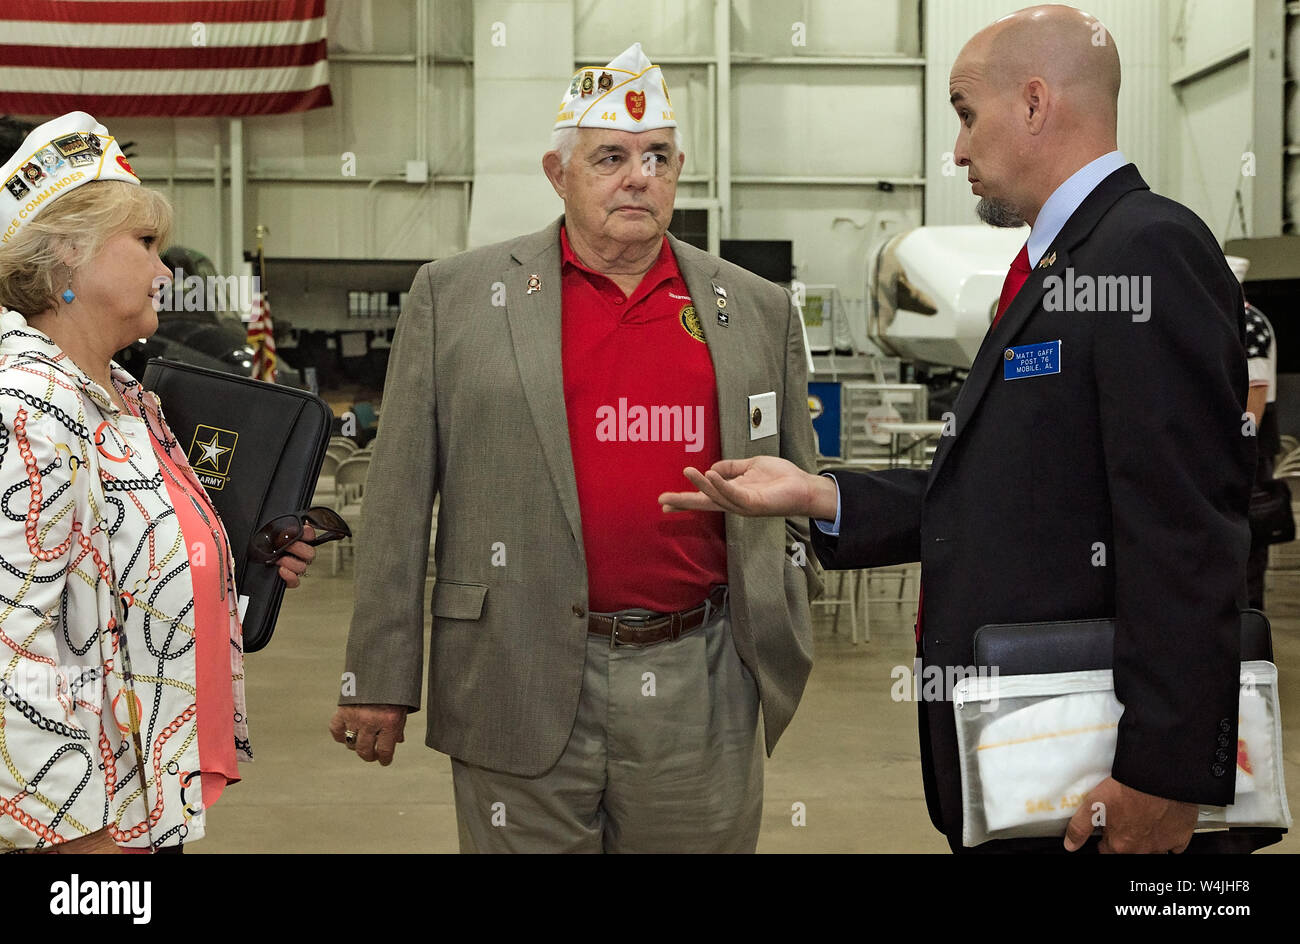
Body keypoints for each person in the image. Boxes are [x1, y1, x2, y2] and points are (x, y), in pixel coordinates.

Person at [661, 5, 1274, 854]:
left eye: (962, 111)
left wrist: (1165, 774)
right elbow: (1000, 489)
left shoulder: (1145, 251)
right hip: (1035, 759)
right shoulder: (1056, 268)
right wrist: (819, 493)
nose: (955, 150)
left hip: (1108, 774)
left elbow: (1186, 534)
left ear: (1033, 103)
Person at [331, 43, 822, 853]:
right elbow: (397, 497)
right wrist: (378, 674)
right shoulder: (456, 297)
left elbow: (800, 484)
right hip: (513, 671)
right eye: (612, 157)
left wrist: (778, 623)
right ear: (558, 174)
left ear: (680, 170)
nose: (638, 176)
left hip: (701, 678)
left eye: (657, 157)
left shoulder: (756, 309)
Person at [0, 112, 316, 852]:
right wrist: (75, 834)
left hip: (138, 786)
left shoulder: (125, 398)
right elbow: (11, 648)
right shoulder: (24, 406)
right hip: (75, 822)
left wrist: (237, 559)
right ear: (67, 254)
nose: (165, 271)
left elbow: (121, 565)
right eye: (145, 244)